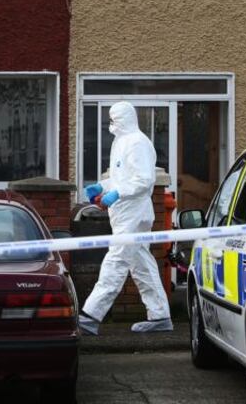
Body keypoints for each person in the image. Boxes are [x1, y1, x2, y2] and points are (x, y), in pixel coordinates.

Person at [79, 101, 172, 335]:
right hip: (124, 213)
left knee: (116, 260)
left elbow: (143, 180)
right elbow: (122, 177)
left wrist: (116, 194)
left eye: (114, 118)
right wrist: (102, 186)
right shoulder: (121, 142)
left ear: (124, 119)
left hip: (133, 212)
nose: (111, 123)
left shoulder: (138, 143)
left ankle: (90, 315)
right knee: (141, 263)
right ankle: (160, 315)